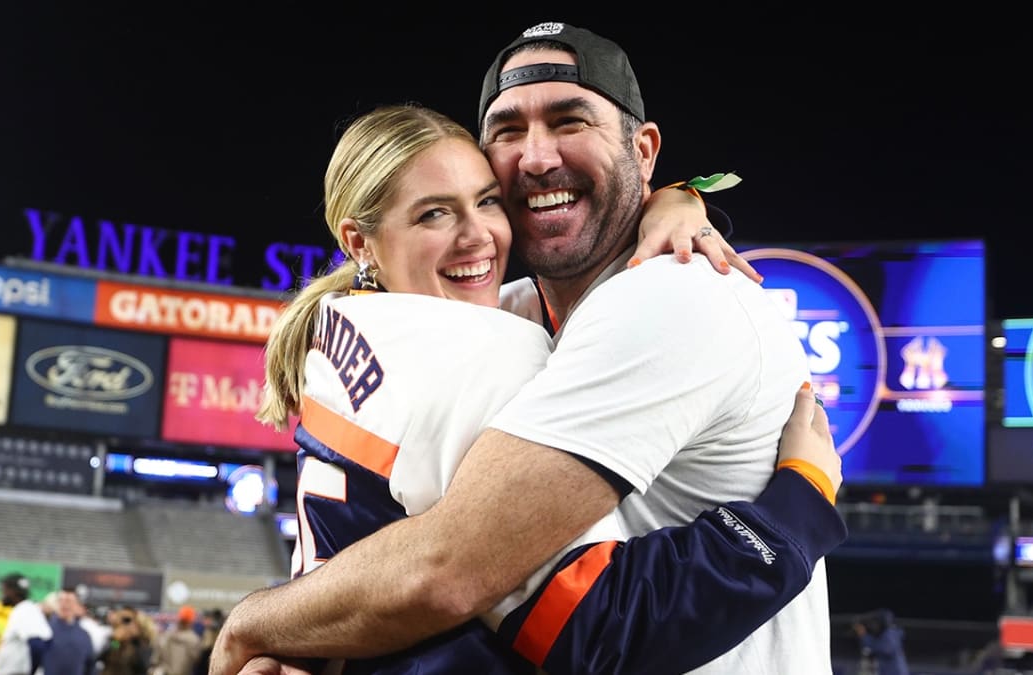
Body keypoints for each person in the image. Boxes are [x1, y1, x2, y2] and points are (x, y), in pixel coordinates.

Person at [212, 94, 842, 674]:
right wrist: (796, 512)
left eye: (486, 200)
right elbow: (593, 626)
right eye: (434, 214)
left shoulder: (340, 328)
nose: (478, 235)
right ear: (360, 242)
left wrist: (674, 198)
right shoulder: (478, 349)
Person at [0, 574, 51, 675]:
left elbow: (37, 644)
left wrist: (32, 671)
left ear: (13, 592)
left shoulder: (24, 610)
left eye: (4, 589)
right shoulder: (25, 609)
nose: (2, 593)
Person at [41, 588, 95, 675]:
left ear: (76, 605)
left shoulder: (84, 636)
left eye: (69, 601)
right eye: (61, 600)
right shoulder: (45, 629)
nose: (64, 604)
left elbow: (90, 666)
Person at [853, 609, 910, 675]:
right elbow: (871, 649)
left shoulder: (890, 634)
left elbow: (886, 650)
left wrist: (864, 636)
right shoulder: (883, 635)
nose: (874, 625)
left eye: (876, 622)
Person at [151, 605, 201, 675]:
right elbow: (196, 660)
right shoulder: (194, 640)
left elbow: (156, 658)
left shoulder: (166, 635)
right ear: (191, 621)